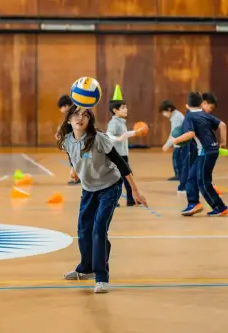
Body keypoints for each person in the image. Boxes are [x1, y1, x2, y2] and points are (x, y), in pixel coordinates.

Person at [57, 105, 147, 293]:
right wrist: (73, 170)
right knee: (83, 230)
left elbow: (121, 164)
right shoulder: (67, 141)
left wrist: (135, 192)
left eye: (84, 115)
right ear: (68, 120)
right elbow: (73, 157)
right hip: (88, 189)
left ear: (90, 120)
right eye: (75, 114)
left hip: (110, 187)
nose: (79, 118)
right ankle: (86, 268)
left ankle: (101, 277)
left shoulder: (99, 139)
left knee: (98, 229)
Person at [172, 92, 228, 217]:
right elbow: (222, 125)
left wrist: (176, 140)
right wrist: (223, 143)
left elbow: (190, 134)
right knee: (191, 177)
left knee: (203, 182)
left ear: (187, 105)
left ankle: (220, 207)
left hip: (206, 152)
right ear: (201, 103)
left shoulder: (189, 117)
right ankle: (193, 203)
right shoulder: (205, 114)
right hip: (209, 151)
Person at [106, 99, 143, 206]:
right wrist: (117, 139)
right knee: (118, 179)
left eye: (126, 107)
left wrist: (135, 132)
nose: (126, 109)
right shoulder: (113, 123)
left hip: (123, 154)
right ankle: (113, 200)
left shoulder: (121, 122)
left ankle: (131, 200)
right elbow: (108, 135)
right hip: (116, 155)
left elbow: (124, 134)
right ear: (115, 110)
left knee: (127, 177)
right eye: (123, 107)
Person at [55, 94, 80, 186]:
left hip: (74, 143)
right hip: (71, 143)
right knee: (74, 160)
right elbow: (64, 126)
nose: (60, 110)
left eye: (61, 107)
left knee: (75, 160)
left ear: (66, 106)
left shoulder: (73, 114)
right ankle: (77, 178)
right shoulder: (70, 114)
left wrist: (60, 134)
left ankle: (76, 178)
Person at [160, 100, 185, 186]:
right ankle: (179, 174)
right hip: (179, 142)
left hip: (180, 143)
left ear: (169, 109)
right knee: (177, 158)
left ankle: (179, 175)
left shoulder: (176, 117)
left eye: (164, 112)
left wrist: (167, 145)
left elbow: (174, 133)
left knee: (177, 158)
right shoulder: (175, 116)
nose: (163, 114)